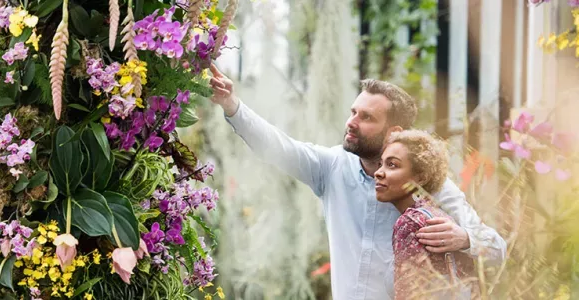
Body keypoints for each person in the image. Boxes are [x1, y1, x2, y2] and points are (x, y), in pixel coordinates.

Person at [208, 64, 506, 300]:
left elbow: (497, 249)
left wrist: (464, 238)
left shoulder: (430, 185)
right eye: (353, 112)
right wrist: (232, 105)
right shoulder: (332, 166)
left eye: (366, 117)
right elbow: (278, 147)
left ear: (393, 132)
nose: (351, 122)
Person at [375, 130, 476, 299]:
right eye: (381, 164)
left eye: (392, 165)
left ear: (420, 178)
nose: (378, 173)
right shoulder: (439, 216)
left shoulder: (410, 223)